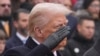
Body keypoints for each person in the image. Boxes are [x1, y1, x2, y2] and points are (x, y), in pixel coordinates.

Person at [4, 3, 70, 56]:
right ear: (39, 31)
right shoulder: (15, 53)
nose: (65, 31)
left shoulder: (65, 53)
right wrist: (44, 47)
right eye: (59, 26)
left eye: (65, 24)